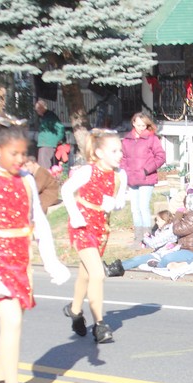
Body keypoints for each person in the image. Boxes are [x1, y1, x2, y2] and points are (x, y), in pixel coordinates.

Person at [0, 119, 70, 383]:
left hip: (20, 263)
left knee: (11, 325)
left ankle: (0, 378)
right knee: (11, 321)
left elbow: (38, 222)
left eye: (23, 153)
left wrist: (52, 262)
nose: (20, 159)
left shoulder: (26, 180)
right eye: (13, 153)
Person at [61, 129, 127, 343]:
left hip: (101, 229)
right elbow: (66, 190)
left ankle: (74, 310)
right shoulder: (88, 171)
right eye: (114, 150)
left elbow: (120, 203)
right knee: (97, 273)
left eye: (120, 150)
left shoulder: (120, 175)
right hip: (82, 226)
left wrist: (114, 204)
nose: (119, 154)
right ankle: (100, 325)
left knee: (86, 274)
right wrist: (75, 214)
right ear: (99, 153)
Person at [122, 198, 193, 270]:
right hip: (188, 249)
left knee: (166, 258)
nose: (184, 207)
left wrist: (178, 214)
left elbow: (177, 230)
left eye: (185, 204)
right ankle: (118, 266)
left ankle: (159, 265)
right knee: (139, 259)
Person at [120, 113, 166, 245]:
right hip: (132, 178)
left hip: (147, 178)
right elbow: (123, 159)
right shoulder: (127, 140)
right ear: (133, 123)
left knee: (143, 207)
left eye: (144, 125)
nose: (141, 128)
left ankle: (147, 237)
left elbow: (161, 157)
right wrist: (125, 172)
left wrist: (146, 170)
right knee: (135, 209)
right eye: (139, 125)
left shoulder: (151, 138)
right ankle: (138, 237)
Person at [34, 100, 65, 170]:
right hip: (45, 144)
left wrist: (57, 140)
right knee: (43, 165)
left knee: (43, 166)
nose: (37, 111)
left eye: (38, 109)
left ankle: (45, 180)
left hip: (47, 144)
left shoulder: (50, 116)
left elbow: (60, 128)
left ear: (42, 108)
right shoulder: (46, 117)